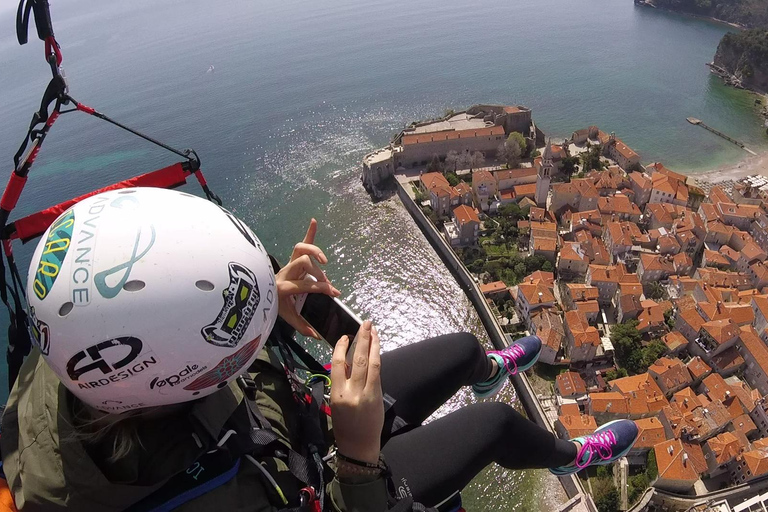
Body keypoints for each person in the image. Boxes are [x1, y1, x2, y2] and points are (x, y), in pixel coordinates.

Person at [0, 187, 638, 512]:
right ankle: (567, 459)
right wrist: (360, 461)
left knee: (468, 345)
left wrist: (264, 302)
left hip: (297, 424)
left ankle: (483, 372)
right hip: (332, 475)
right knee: (497, 424)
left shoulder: (80, 351)